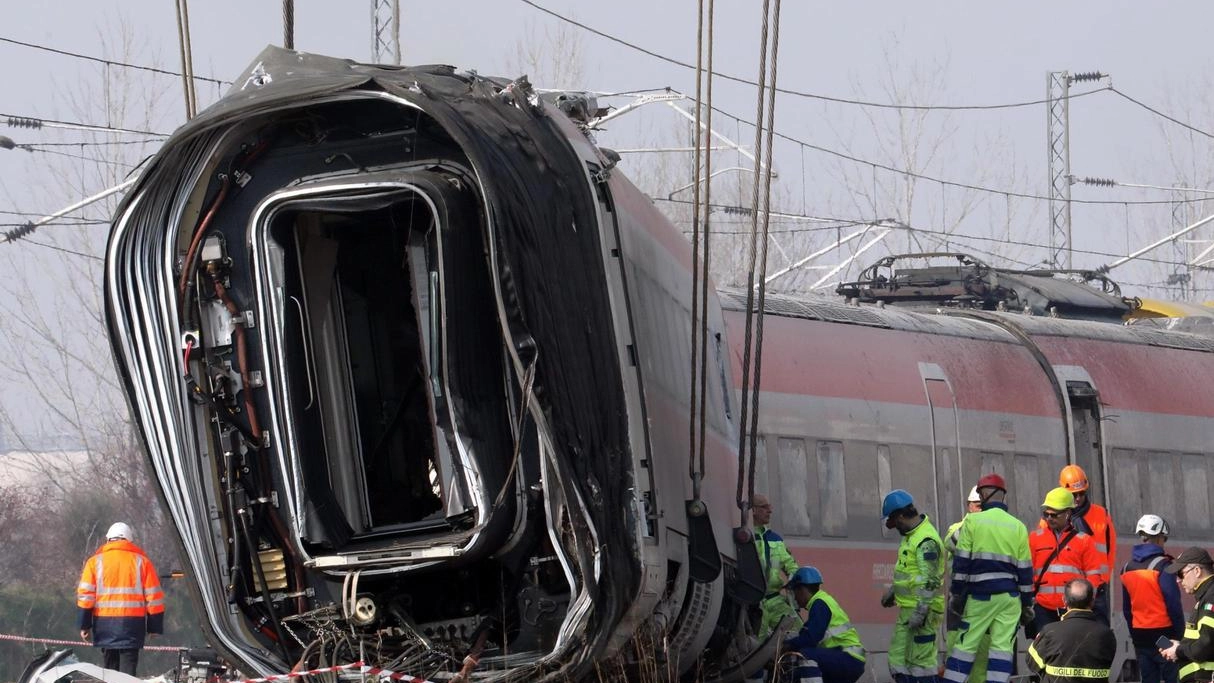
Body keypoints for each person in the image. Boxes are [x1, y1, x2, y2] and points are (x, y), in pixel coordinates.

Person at [943, 473, 1032, 683]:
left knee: (964, 647)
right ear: (1003, 496)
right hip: (1010, 600)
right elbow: (1025, 572)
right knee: (1002, 651)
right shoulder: (1018, 526)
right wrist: (1027, 605)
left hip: (980, 598)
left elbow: (961, 563)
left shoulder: (973, 522)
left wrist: (956, 595)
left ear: (983, 494)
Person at [76, 522, 165, 675]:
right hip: (132, 625)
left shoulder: (94, 562)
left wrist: (84, 625)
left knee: (109, 671)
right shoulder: (142, 562)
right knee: (128, 672)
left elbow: (86, 596)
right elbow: (154, 597)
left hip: (105, 625)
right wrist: (154, 626)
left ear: (108, 540)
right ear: (129, 540)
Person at [881, 489, 945, 683]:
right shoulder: (911, 537)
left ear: (900, 516)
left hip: (923, 612)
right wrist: (894, 591)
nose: (893, 527)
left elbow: (930, 580)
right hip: (909, 610)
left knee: (921, 666)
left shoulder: (926, 540)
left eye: (893, 522)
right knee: (898, 662)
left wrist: (921, 610)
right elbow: (909, 573)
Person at [1027, 488, 1107, 638]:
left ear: (1068, 513)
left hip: (1073, 611)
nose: (1049, 518)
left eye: (1054, 515)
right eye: (1046, 514)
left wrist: (1085, 604)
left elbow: (1094, 577)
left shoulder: (1084, 541)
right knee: (1045, 653)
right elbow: (1028, 573)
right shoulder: (1034, 539)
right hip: (1043, 610)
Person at [1122, 515, 1184, 683]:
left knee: (1148, 679)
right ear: (1159, 537)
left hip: (1140, 636)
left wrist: (1134, 633)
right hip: (1164, 636)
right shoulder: (1164, 566)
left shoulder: (1127, 568)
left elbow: (1127, 610)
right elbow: (1173, 605)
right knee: (1172, 677)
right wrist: (1180, 635)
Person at [780, 566, 866, 683]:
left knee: (805, 655)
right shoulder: (823, 602)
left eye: (794, 592)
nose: (794, 597)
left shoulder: (819, 604)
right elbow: (807, 634)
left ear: (802, 590)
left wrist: (786, 646)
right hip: (849, 658)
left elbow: (810, 639)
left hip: (847, 657)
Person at [1026, 578, 1117, 683]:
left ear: (1064, 600)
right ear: (1092, 602)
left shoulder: (1050, 631)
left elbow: (1031, 663)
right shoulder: (1107, 634)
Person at [943, 487, 988, 683]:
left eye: (983, 507)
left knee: (982, 659)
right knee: (956, 657)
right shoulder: (957, 528)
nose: (980, 510)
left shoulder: (992, 530)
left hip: (985, 603)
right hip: (960, 606)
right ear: (969, 506)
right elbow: (951, 542)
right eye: (977, 506)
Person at [1055, 465, 1116, 589]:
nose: (1078, 498)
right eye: (1074, 494)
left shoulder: (1101, 514)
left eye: (1081, 493)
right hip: (1066, 588)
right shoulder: (1052, 517)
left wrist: (1104, 579)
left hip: (1096, 586)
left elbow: (1111, 549)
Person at [1160, 547, 1214, 682]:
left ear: (1197, 571)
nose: (1178, 580)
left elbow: (1207, 645)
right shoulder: (1206, 597)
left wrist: (1178, 651)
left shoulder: (1211, 598)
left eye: (1180, 574)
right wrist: (1179, 646)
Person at [754, 493, 802, 638]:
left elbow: (790, 564)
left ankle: (793, 659)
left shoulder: (775, 539)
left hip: (775, 599)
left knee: (798, 631)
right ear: (753, 510)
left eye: (770, 507)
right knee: (757, 642)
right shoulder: (745, 536)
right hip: (753, 602)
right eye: (765, 507)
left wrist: (794, 579)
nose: (770, 511)